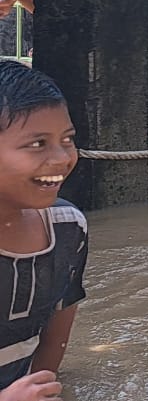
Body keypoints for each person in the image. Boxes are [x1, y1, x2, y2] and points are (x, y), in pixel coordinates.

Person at [0, 61, 87, 399]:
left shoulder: (67, 227)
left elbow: (47, 367)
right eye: (37, 144)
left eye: (67, 140)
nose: (61, 158)